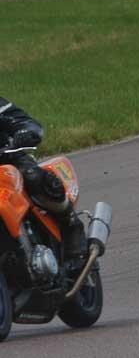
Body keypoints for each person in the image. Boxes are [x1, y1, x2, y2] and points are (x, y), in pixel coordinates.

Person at [0, 99, 86, 263]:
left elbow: (22, 121)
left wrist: (25, 132)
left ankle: (71, 225)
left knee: (33, 176)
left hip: (7, 161)